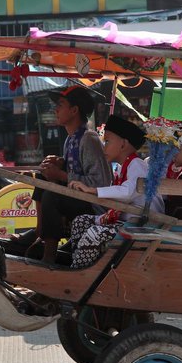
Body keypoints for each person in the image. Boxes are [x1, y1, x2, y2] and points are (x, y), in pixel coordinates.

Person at [21, 85, 112, 262]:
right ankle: (39, 231)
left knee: (51, 196)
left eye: (60, 104)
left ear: (74, 110)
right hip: (78, 198)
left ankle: (49, 256)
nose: (55, 109)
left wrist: (62, 175)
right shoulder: (71, 139)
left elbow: (101, 182)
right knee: (43, 175)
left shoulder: (89, 139)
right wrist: (60, 164)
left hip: (94, 205)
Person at [68, 114, 164, 269]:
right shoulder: (121, 167)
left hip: (141, 225)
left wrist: (92, 190)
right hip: (126, 221)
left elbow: (127, 192)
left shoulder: (137, 164)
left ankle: (82, 273)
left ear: (123, 144)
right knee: (80, 221)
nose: (103, 146)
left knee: (94, 233)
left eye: (107, 141)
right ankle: (79, 266)